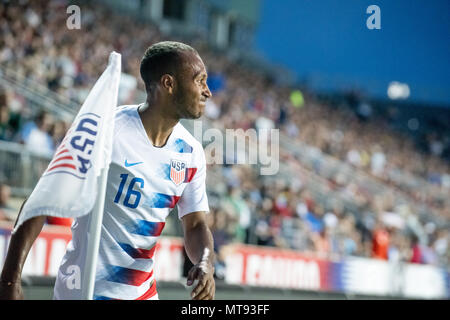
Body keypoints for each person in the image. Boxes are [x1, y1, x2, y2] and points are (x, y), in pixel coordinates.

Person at [0, 41, 215, 300]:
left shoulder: (191, 152)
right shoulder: (104, 130)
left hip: (142, 294)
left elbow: (195, 225)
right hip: (85, 291)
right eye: (200, 80)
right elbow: (41, 200)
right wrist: (10, 281)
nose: (207, 92)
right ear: (169, 84)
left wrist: (205, 262)